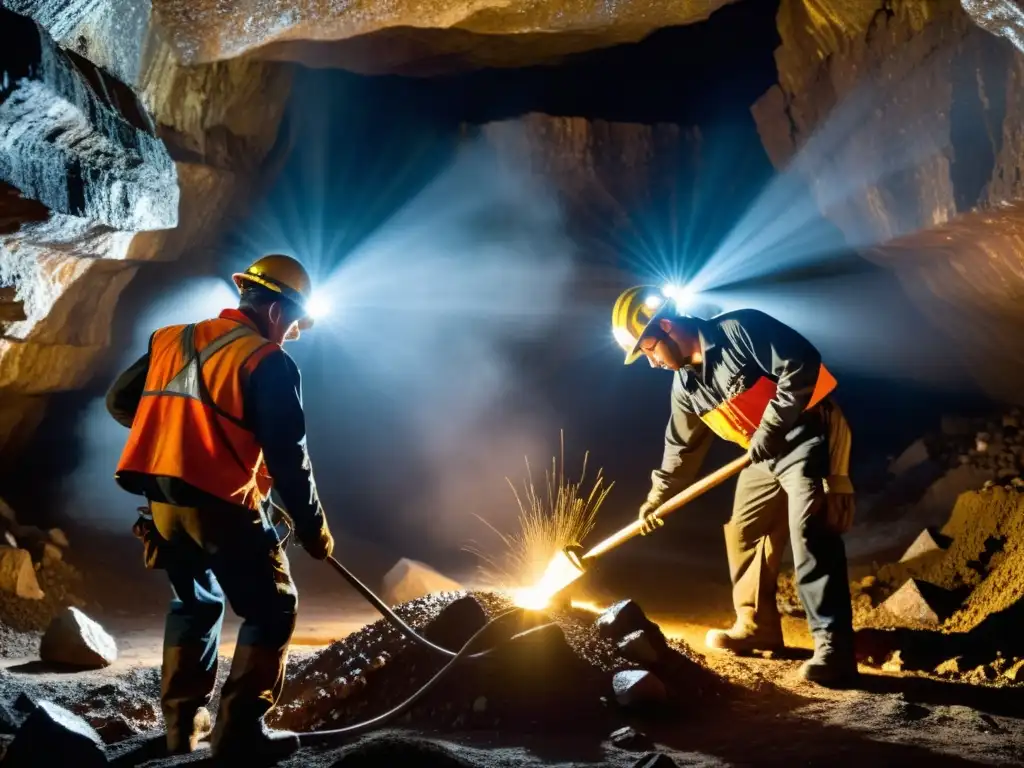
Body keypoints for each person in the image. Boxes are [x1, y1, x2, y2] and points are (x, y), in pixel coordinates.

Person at [107, 254, 335, 757]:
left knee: (195, 602)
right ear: (276, 312)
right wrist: (314, 528)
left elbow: (121, 403)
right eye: (293, 322)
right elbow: (289, 458)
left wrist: (176, 436)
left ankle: (180, 729)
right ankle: (238, 733)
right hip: (220, 505)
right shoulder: (266, 360)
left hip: (163, 503)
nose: (292, 333)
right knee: (274, 607)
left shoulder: (171, 339)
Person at [611, 285, 857, 686]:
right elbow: (681, 451)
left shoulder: (740, 330)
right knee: (744, 531)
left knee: (811, 531)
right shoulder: (686, 387)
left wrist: (773, 427)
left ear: (668, 326)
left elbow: (801, 363)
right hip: (762, 456)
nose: (651, 362)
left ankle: (834, 649)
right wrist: (656, 500)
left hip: (808, 433)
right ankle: (757, 626)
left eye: (649, 349)